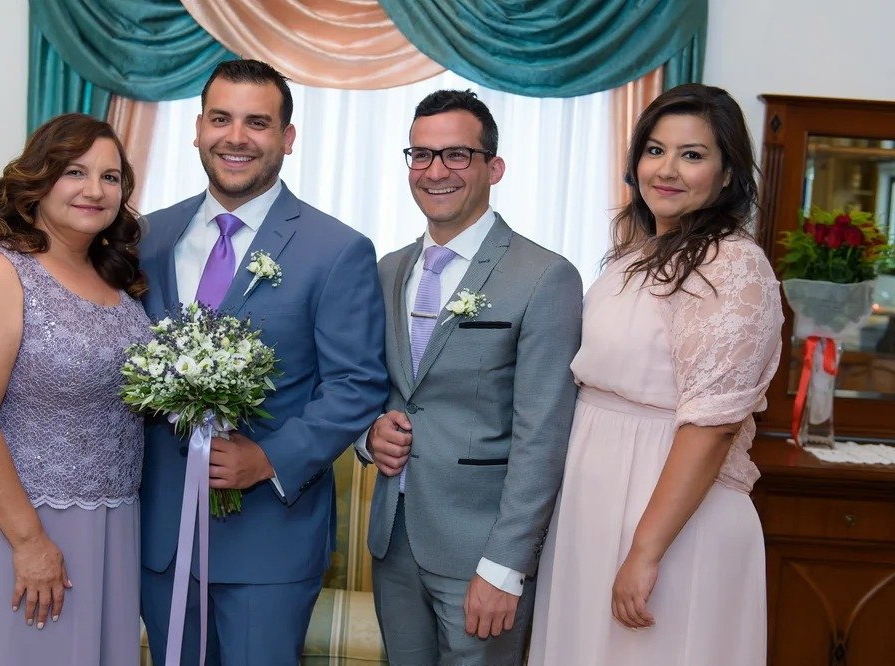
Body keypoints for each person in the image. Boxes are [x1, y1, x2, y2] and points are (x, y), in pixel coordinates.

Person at [137, 59, 388, 665]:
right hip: (160, 538)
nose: (236, 137)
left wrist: (270, 459)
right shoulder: (146, 238)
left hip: (268, 543)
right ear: (198, 129)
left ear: (287, 137)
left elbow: (356, 385)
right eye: (221, 119)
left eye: (257, 122)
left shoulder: (336, 250)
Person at [528, 83, 784, 665]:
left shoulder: (732, 265)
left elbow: (714, 426)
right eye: (655, 150)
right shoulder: (636, 254)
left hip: (667, 516)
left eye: (692, 154)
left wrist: (646, 551)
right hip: (597, 501)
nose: (667, 169)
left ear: (726, 174)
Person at [364, 89, 583, 666]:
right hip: (393, 540)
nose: (435, 171)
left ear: (494, 167)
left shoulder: (545, 277)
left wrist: (505, 565)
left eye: (456, 154)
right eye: (421, 154)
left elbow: (543, 434)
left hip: (481, 554)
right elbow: (373, 388)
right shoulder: (388, 270)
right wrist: (368, 436)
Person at [0, 113, 151, 665]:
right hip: (25, 525)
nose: (95, 190)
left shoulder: (117, 278)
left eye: (110, 177)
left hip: (112, 524)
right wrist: (30, 542)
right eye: (75, 172)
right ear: (39, 178)